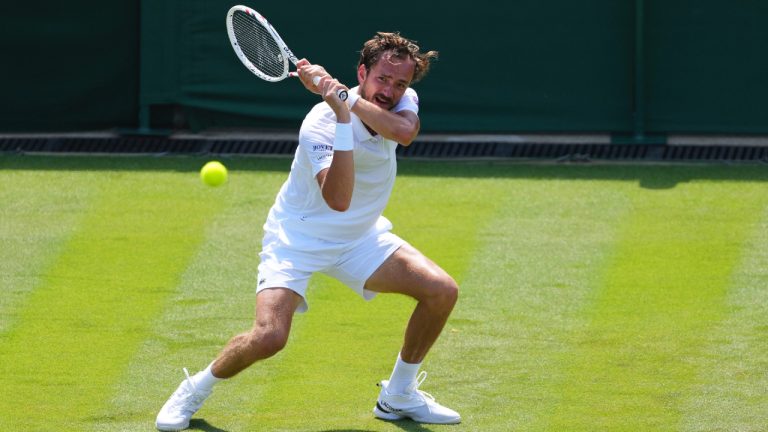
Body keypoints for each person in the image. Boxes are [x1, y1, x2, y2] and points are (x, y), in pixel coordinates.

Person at [156, 32, 460, 431]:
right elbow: (337, 198)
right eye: (382, 79)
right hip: (298, 239)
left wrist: (346, 102)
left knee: (441, 291)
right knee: (269, 338)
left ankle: (398, 395)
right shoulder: (318, 124)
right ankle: (196, 387)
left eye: (400, 83)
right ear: (362, 72)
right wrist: (340, 120)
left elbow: (403, 133)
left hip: (360, 237)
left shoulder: (400, 102)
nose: (390, 90)